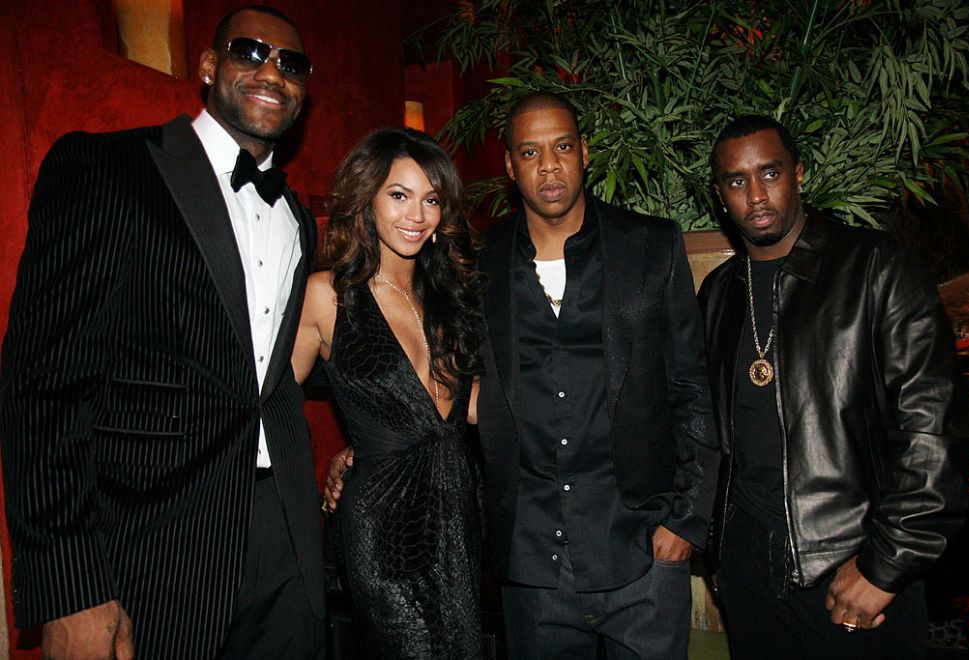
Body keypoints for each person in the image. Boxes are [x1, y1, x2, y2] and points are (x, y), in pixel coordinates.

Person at [328, 92, 720, 658]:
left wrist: (686, 521)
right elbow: (433, 381)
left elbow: (691, 388)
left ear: (585, 153)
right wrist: (366, 447)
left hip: (641, 552)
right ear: (510, 167)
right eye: (530, 152)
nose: (550, 166)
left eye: (563, 147)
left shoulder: (650, 245)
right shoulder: (474, 264)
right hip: (531, 563)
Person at [0, 6, 325, 658]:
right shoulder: (109, 168)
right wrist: (68, 587)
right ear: (206, 66)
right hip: (152, 542)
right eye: (250, 52)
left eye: (291, 64)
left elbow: (270, 378)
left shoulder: (296, 215)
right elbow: (42, 383)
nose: (272, 72)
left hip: (282, 538)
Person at [699, 114, 969, 659]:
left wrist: (886, 564)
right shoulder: (719, 293)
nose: (756, 194)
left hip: (850, 568)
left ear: (799, 173)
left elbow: (936, 429)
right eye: (737, 180)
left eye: (770, 173)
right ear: (719, 194)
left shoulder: (876, 267)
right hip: (748, 576)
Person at [292, 127, 487, 658]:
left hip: (459, 514)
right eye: (399, 195)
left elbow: (468, 409)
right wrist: (340, 461)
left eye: (431, 200)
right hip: (383, 528)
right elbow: (272, 406)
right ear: (367, 199)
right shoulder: (327, 296)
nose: (416, 215)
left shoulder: (452, 295)